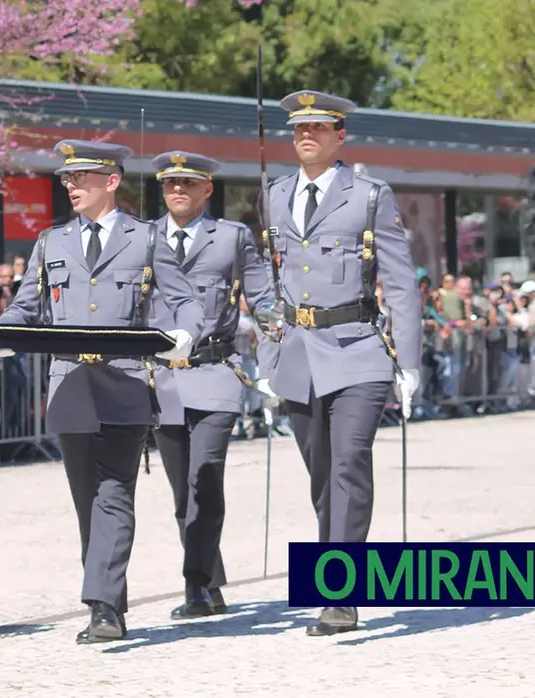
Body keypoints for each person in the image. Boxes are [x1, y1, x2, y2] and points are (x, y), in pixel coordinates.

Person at [0, 139, 203, 644]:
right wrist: (2, 334)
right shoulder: (50, 242)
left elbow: (186, 301)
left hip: (125, 382)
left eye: (81, 178)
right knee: (88, 501)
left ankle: (103, 607)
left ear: (111, 181)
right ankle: (110, 596)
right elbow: (26, 306)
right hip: (70, 388)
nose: (71, 187)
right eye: (66, 179)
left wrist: (184, 336)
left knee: (113, 493)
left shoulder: (146, 239)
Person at [253, 90, 422, 636]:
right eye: (299, 127)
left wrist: (411, 360)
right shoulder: (275, 195)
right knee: (322, 476)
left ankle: (341, 595)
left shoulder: (370, 195)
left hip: (357, 350)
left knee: (349, 462)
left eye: (319, 126)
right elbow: (269, 284)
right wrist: (265, 350)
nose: (307, 135)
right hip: (298, 355)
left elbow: (399, 281)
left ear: (339, 134)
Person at [147, 150, 271, 619]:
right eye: (170, 184)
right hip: (162, 378)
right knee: (182, 489)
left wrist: (280, 349)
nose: (177, 191)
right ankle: (211, 581)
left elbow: (261, 298)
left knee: (205, 479)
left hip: (215, 370)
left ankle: (196, 585)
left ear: (206, 189)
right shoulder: (144, 237)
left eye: (187, 184)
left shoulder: (233, 237)